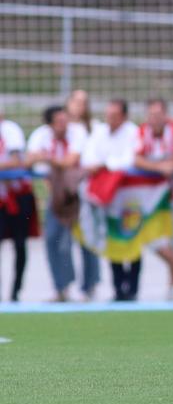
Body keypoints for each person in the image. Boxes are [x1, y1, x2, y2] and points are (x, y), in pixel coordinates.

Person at [133, 98, 173, 300]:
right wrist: (160, 167)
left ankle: (172, 288)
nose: (155, 119)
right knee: (152, 239)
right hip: (153, 198)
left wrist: (155, 165)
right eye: (151, 114)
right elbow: (136, 158)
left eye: (158, 114)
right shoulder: (142, 132)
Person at [80, 99, 144, 301]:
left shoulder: (133, 133)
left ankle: (132, 288)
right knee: (112, 240)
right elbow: (88, 158)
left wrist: (105, 164)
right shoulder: (100, 133)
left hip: (129, 197)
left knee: (132, 239)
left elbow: (128, 160)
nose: (111, 120)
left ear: (124, 116)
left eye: (115, 116)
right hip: (107, 197)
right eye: (108, 115)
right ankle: (118, 288)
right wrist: (102, 165)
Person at [26, 105, 88, 301]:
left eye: (65, 120)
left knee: (85, 240)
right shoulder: (40, 136)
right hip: (57, 197)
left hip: (80, 193)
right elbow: (29, 160)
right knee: (53, 239)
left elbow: (70, 161)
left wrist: (47, 158)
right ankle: (61, 287)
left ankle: (88, 286)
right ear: (50, 124)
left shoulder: (77, 132)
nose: (64, 124)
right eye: (59, 121)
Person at [64, 89, 101, 298]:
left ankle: (90, 284)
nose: (80, 106)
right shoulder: (62, 128)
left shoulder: (94, 128)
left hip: (88, 190)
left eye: (84, 102)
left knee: (89, 238)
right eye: (76, 101)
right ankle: (64, 286)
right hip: (67, 193)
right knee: (62, 241)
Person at [0, 108, 39, 302]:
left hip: (17, 196)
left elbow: (16, 161)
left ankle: (16, 291)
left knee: (19, 243)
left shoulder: (10, 130)